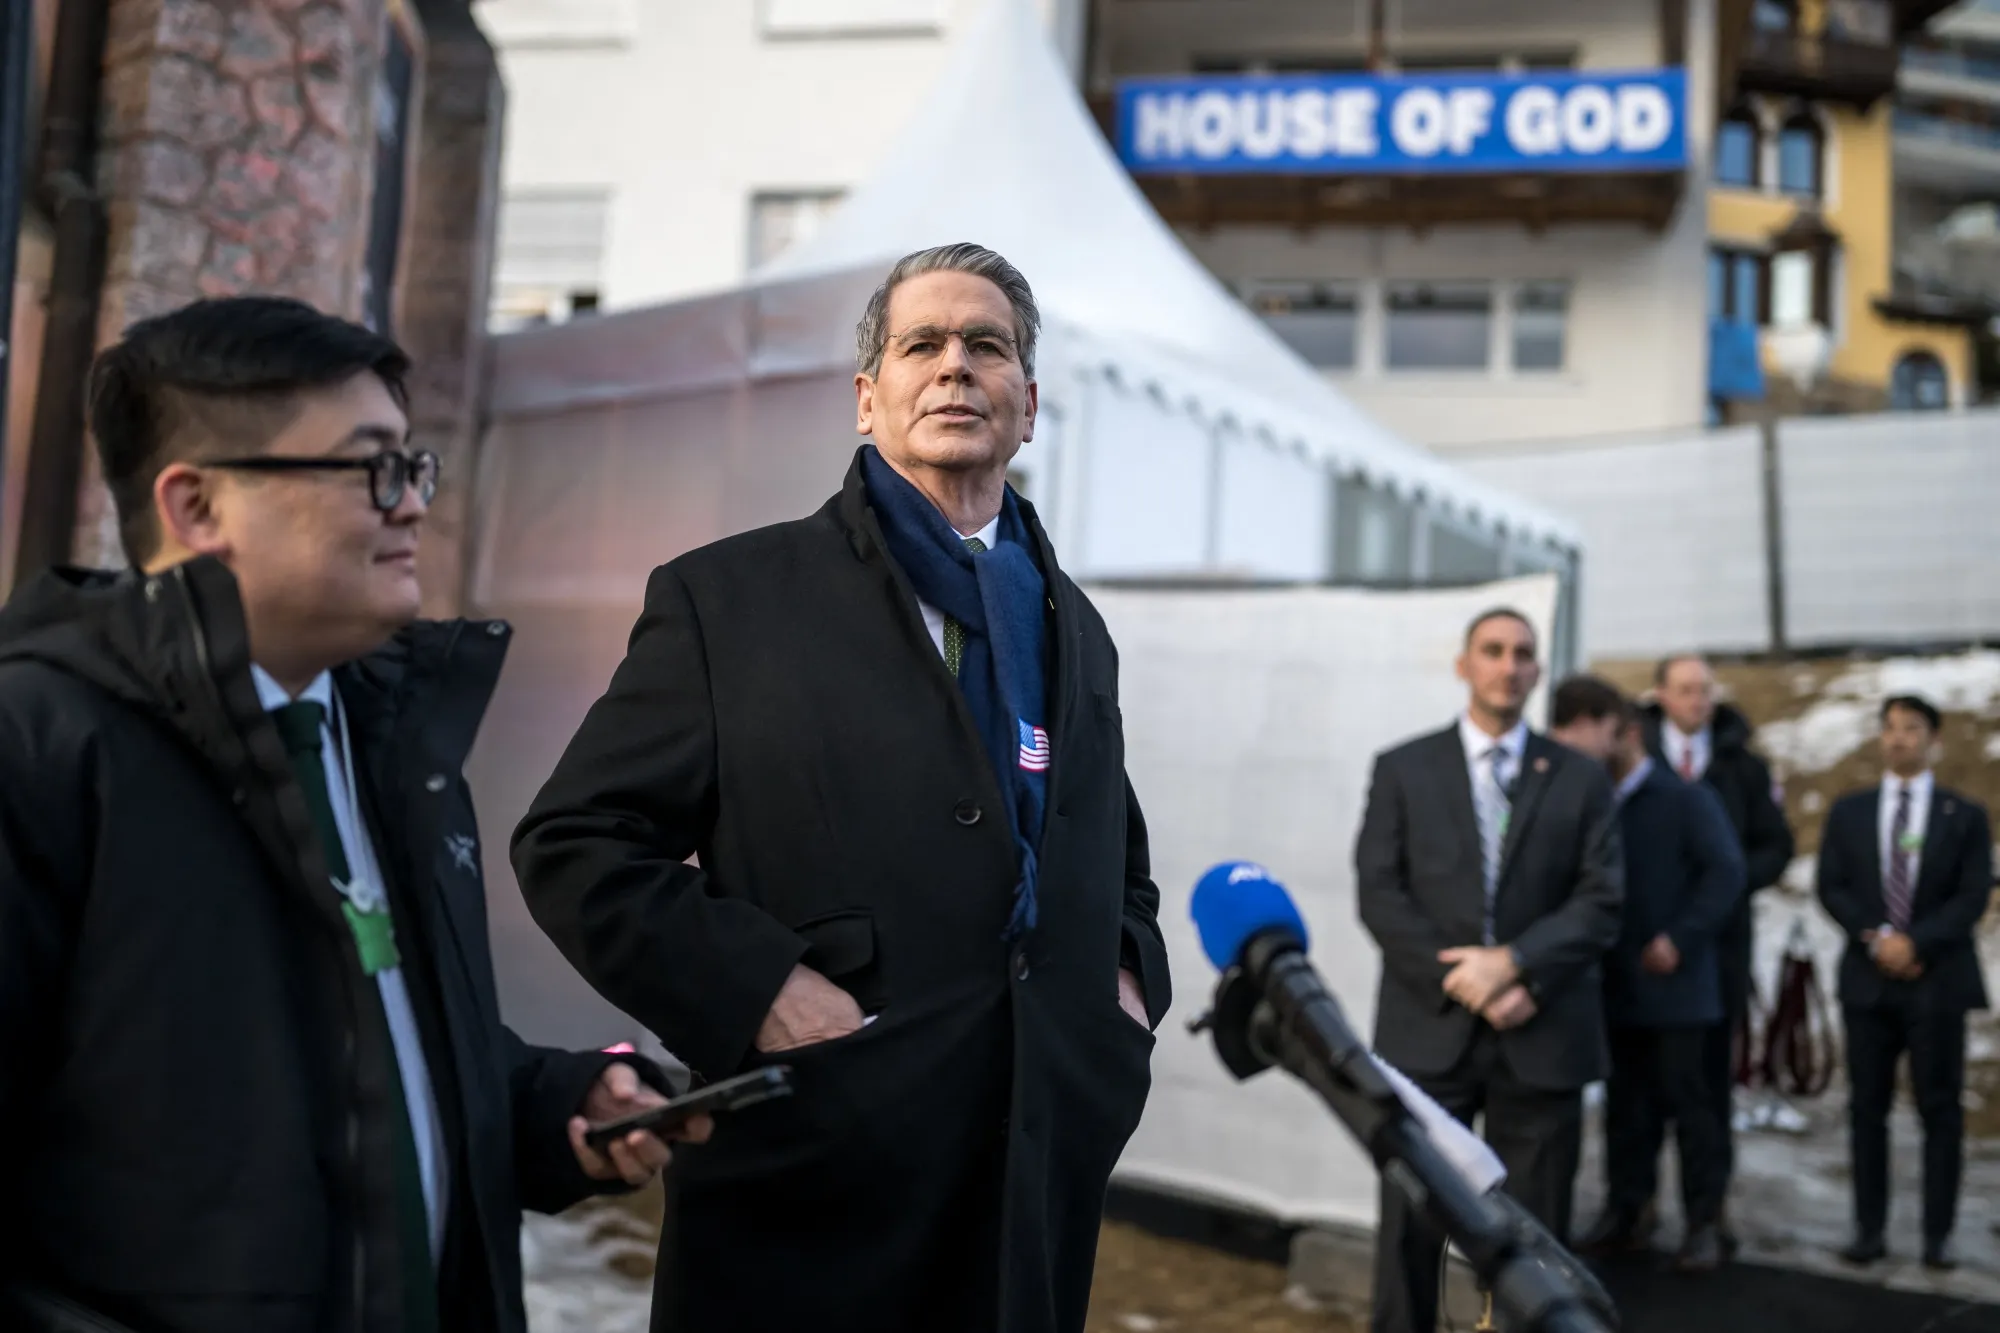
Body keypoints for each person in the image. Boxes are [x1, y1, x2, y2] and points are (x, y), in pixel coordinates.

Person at [0, 297, 702, 1333]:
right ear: (195, 508)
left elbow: (366, 1055)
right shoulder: (42, 746)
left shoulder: (385, 741)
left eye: (413, 468)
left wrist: (548, 1105)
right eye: (371, 468)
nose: (412, 505)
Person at [512, 243, 1168, 1333]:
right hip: (814, 1181)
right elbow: (575, 842)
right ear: (869, 400)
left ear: (1029, 403)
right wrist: (758, 987)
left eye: (987, 347)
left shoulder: (1073, 628)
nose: (955, 367)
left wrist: (1120, 998)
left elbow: (1113, 857)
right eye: (923, 345)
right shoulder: (729, 599)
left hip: (1030, 1176)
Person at [1356, 609, 1623, 1333]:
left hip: (1541, 1033)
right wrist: (1461, 979)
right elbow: (1379, 892)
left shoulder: (1580, 778)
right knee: (1410, 1233)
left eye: (1524, 654)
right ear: (1465, 664)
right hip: (1427, 1037)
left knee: (1533, 1246)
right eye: (1494, 651)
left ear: (1538, 671)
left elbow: (1602, 899)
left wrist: (1518, 970)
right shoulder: (1403, 768)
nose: (1509, 665)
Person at [1555, 677, 1744, 1272]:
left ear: (1626, 733)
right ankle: (1627, 1211)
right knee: (1625, 1108)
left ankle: (1704, 1220)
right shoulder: (1593, 802)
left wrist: (1680, 939)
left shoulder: (1684, 799)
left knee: (1693, 1110)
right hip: (1616, 988)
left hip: (1679, 990)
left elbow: (1726, 873)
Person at [1818, 695, 1991, 1272]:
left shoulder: (1961, 815)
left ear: (1933, 739)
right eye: (1890, 728)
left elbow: (1972, 894)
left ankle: (1936, 1234)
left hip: (1935, 983)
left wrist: (1916, 943)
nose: (1898, 739)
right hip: (1868, 984)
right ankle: (1869, 1229)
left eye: (1911, 729)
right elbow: (1832, 885)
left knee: (1939, 1111)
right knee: (1868, 1109)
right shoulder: (1851, 811)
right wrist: (1877, 939)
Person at [1642, 654, 1794, 1251]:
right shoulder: (1636, 759)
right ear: (1660, 696)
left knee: (1704, 1089)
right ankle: (1635, 1205)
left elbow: (1774, 847)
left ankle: (1706, 1214)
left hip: (1716, 950)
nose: (1698, 701)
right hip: (1644, 952)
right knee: (1638, 1089)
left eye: (1705, 690)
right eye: (1684, 690)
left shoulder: (1742, 767)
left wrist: (1720, 884)